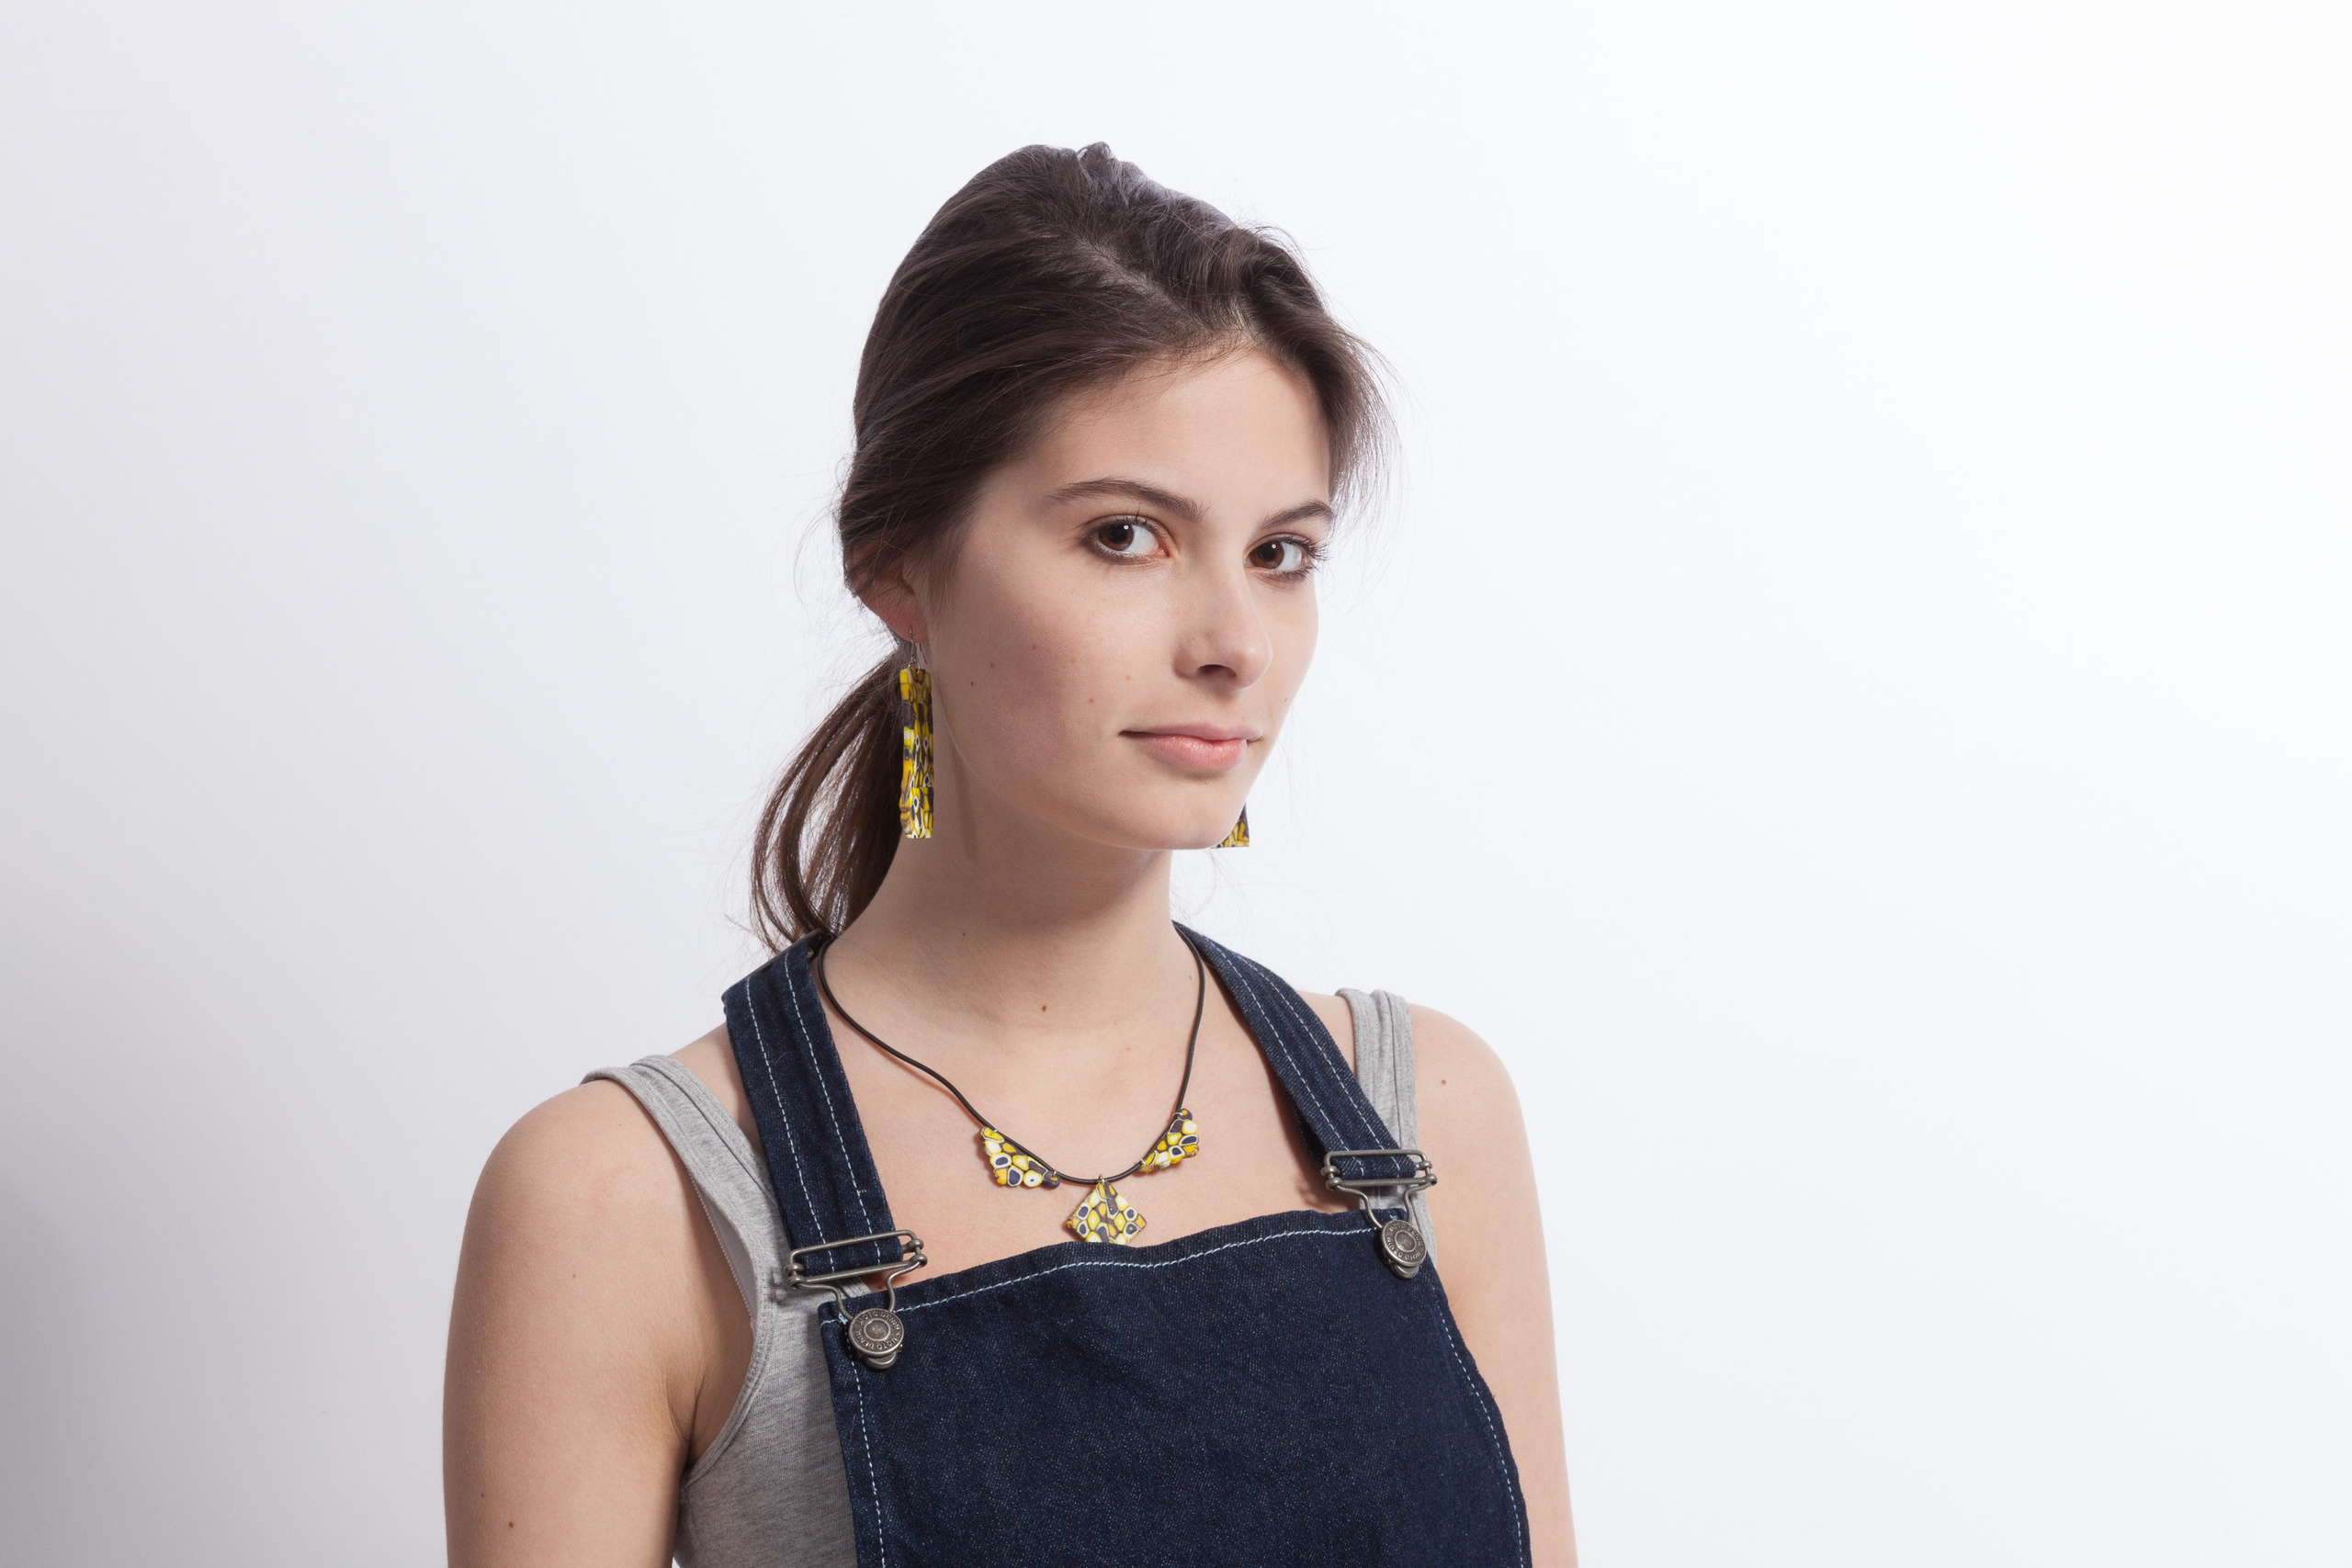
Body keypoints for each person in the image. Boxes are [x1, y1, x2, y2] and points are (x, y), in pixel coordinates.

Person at [444, 142, 1575, 1567]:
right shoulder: (627, 1201)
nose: (1231, 642)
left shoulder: (1426, 1121)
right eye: (1126, 535)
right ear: (901, 563)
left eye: (1282, 554)